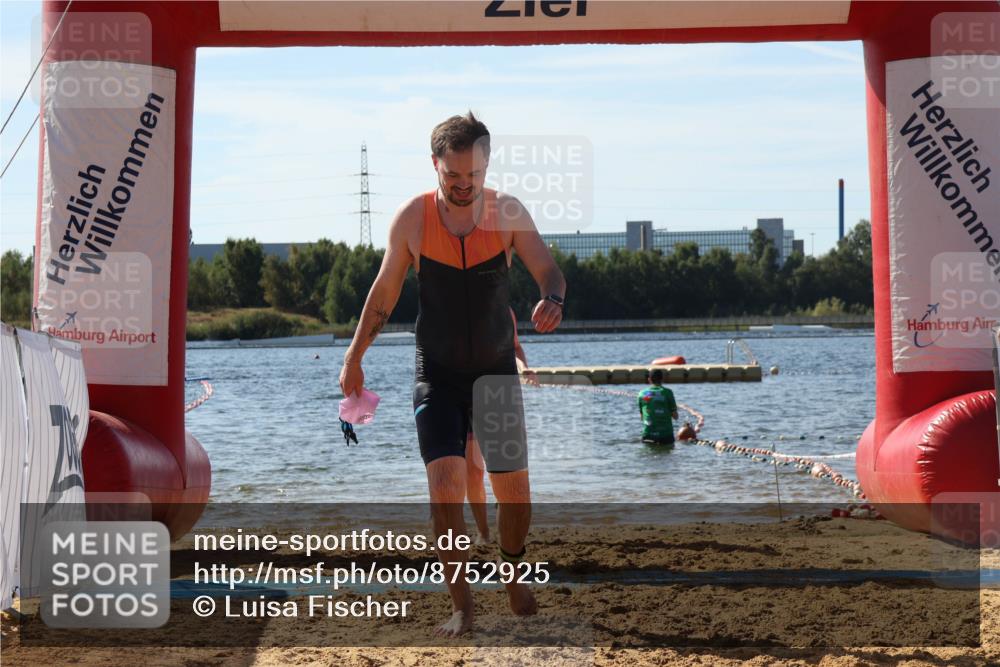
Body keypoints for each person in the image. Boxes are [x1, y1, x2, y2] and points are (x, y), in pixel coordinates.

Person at [339, 112, 566, 637]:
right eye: (454, 177)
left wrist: (552, 298)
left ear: (486, 166)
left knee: (515, 494)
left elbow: (548, 269)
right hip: (436, 373)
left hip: (494, 373)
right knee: (444, 485)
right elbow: (384, 292)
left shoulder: (506, 212)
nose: (465, 187)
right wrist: (354, 356)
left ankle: (511, 568)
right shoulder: (411, 220)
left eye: (474, 176)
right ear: (435, 165)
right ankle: (462, 605)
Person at [466, 307, 534, 546]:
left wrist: (524, 368)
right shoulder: (450, 299)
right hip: (460, 392)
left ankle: (504, 526)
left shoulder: (503, 309)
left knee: (504, 473)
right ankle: (483, 532)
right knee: (473, 472)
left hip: (496, 393)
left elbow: (514, 347)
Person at [639, 368, 678, 446]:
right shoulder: (668, 392)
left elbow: (642, 417)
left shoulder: (642, 393)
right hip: (666, 436)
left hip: (648, 435)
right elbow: (675, 417)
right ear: (662, 379)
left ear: (649, 379)